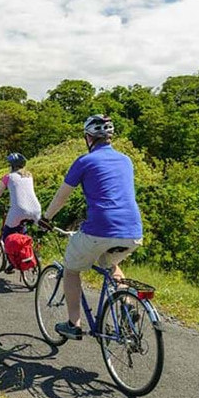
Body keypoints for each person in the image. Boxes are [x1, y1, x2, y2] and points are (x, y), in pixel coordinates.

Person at [40, 114, 143, 340]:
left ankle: (73, 324)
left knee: (71, 269)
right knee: (110, 263)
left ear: (88, 138)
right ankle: (127, 305)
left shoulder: (85, 161)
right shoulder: (126, 160)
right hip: (133, 231)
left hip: (100, 228)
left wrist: (46, 218)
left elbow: (62, 197)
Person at [0, 152, 42, 271]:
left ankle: (13, 262)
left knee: (7, 235)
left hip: (19, 210)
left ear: (11, 166)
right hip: (36, 209)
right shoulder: (29, 176)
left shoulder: (8, 177)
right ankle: (36, 253)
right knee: (26, 233)